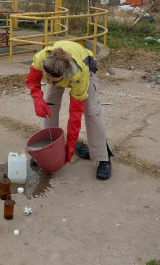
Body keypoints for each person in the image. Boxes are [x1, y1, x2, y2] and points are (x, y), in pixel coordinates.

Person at [26, 40, 112, 180]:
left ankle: (103, 158)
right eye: (47, 79)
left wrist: (69, 150)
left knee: (91, 112)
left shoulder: (79, 75)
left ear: (64, 75)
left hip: (87, 70)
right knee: (50, 104)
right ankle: (48, 149)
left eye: (53, 81)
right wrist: (38, 100)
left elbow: (75, 117)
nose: (50, 83)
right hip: (58, 67)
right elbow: (32, 81)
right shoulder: (41, 59)